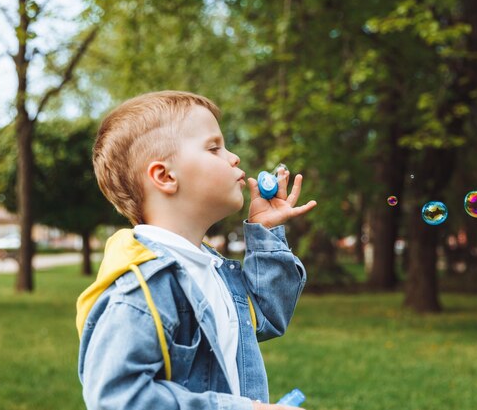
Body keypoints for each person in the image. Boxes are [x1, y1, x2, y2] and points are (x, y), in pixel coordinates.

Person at [76, 90, 317, 410]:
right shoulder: (140, 289)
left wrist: (265, 231)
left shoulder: (211, 267)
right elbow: (118, 399)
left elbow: (268, 316)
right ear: (164, 176)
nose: (234, 158)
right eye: (214, 147)